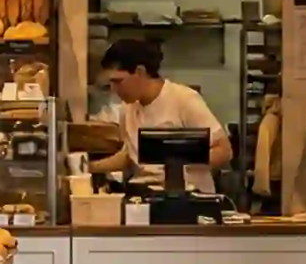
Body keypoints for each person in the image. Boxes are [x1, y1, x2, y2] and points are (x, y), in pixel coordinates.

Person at [90, 37, 231, 189]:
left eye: (118, 82)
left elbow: (224, 151)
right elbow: (130, 155)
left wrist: (178, 162)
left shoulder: (184, 100)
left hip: (188, 195)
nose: (114, 89)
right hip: (144, 195)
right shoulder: (128, 108)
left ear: (140, 72)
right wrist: (90, 167)